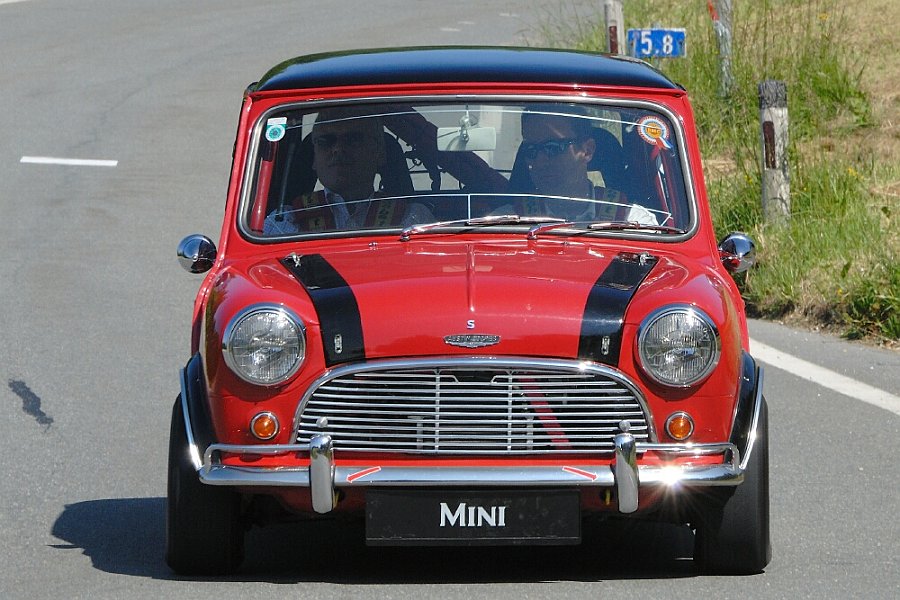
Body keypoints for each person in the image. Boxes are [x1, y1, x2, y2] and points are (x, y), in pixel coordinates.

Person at [264, 107, 431, 234]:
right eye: (325, 141)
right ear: (314, 158)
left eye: (353, 139)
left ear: (379, 153)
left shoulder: (413, 219)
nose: (338, 149)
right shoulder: (283, 223)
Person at [516, 107, 657, 225]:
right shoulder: (510, 220)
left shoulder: (633, 222)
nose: (540, 161)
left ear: (587, 150)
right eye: (530, 149)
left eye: (553, 147)